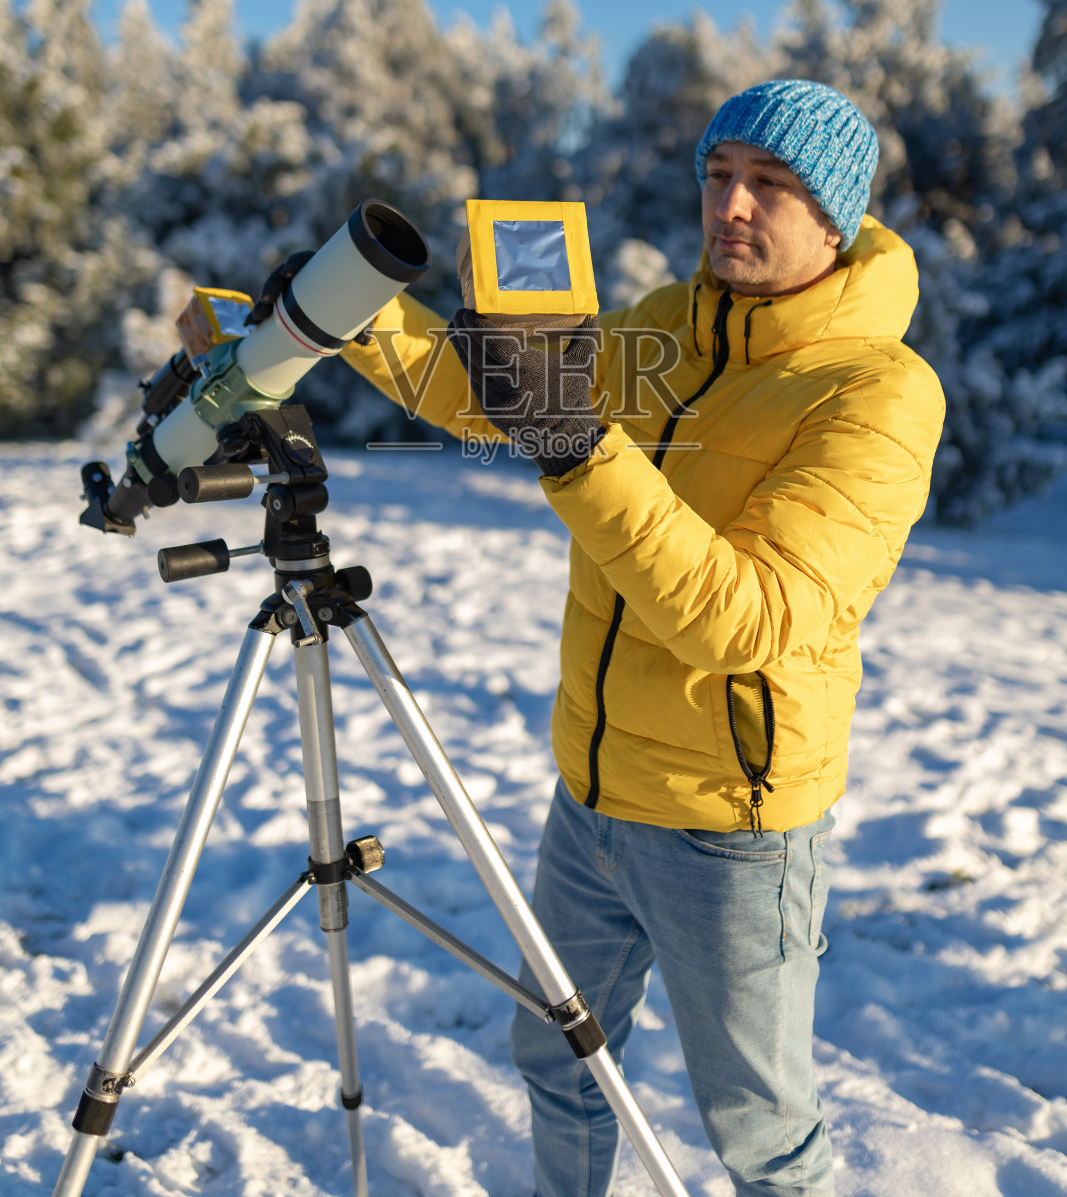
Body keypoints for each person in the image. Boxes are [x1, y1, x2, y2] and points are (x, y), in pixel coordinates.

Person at [340, 78, 946, 1197]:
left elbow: (746, 615)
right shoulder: (670, 322)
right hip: (590, 794)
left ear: (836, 219)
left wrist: (576, 444)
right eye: (718, 176)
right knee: (553, 1052)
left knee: (760, 1133)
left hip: (729, 829)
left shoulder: (875, 391)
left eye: (770, 186)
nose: (732, 206)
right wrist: (349, 312)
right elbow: (497, 402)